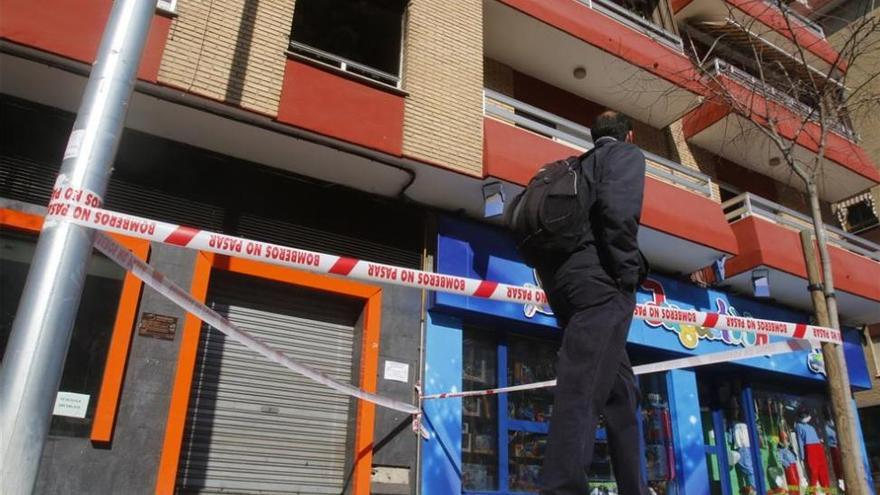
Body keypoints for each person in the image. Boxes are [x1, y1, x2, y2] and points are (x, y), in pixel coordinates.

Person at [535, 111, 648, 495]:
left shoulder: (578, 167)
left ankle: (634, 487)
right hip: (601, 286)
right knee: (582, 387)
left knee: (621, 393)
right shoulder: (625, 156)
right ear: (629, 135)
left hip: (565, 287)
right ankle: (563, 488)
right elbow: (619, 215)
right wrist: (627, 275)